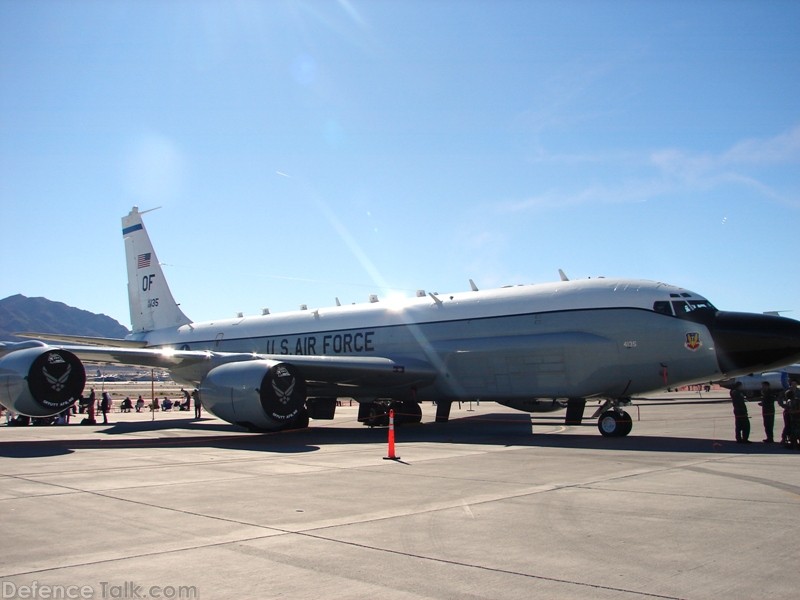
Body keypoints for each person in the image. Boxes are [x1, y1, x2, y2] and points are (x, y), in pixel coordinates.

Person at [785, 380, 800, 449]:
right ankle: (794, 444)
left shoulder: (790, 401)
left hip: (794, 419)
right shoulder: (794, 401)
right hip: (795, 418)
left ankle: (794, 444)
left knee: (794, 432)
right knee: (795, 431)